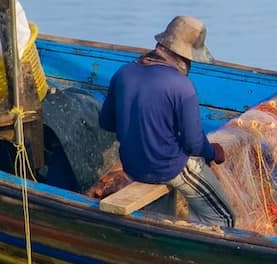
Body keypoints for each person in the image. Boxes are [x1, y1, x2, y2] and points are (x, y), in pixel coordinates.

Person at [98, 15, 234, 230]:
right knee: (224, 219)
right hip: (169, 167)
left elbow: (106, 122)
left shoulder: (123, 73)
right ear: (184, 57)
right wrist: (213, 153)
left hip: (133, 166)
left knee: (162, 220)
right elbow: (193, 144)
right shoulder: (182, 86)